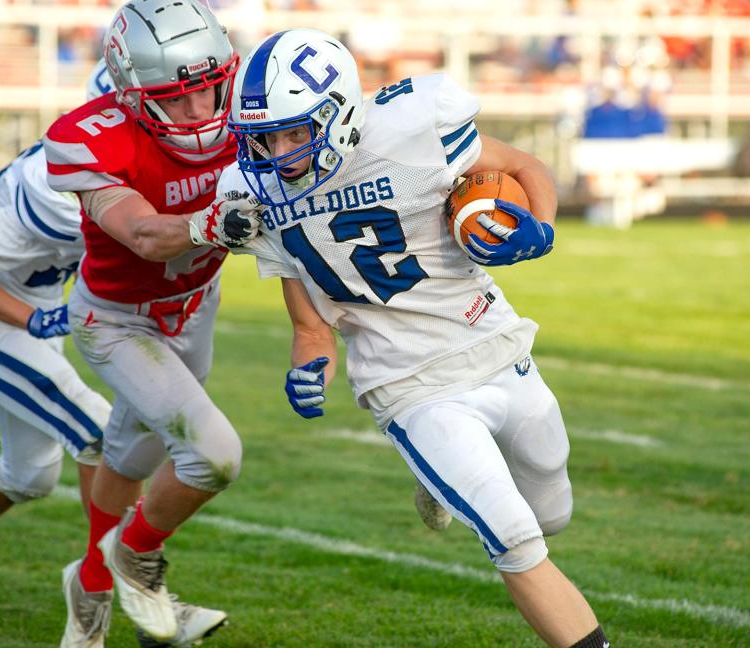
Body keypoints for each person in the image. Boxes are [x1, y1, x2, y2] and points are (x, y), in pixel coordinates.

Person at [222, 29, 610, 648]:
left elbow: (523, 167)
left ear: (341, 114)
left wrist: (539, 230)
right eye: (265, 136)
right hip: (408, 384)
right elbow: (310, 323)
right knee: (514, 538)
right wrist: (310, 363)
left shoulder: (410, 130)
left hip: (495, 344)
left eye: (296, 131)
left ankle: (438, 484)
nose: (279, 152)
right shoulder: (253, 196)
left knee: (551, 513)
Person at [0, 62, 229, 646]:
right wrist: (32, 317)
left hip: (38, 308)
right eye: (165, 106)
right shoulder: (56, 187)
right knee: (99, 432)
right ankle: (126, 593)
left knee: (29, 475)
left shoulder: (125, 159)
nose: (182, 120)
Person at [42, 1, 261, 645]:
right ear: (131, 94)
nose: (199, 114)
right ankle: (131, 565)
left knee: (131, 453)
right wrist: (207, 223)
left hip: (196, 306)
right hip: (116, 321)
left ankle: (89, 585)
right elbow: (140, 232)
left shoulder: (253, 101)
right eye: (174, 99)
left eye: (208, 90)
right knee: (213, 455)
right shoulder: (90, 135)